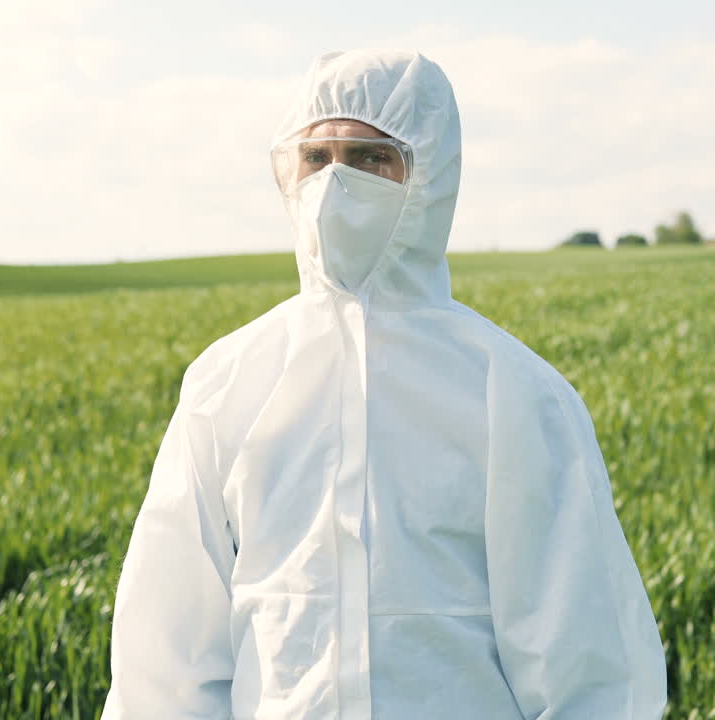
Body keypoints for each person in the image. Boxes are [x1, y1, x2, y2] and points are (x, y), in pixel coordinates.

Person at [101, 49, 667, 719]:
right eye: (317, 158)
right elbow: (166, 659)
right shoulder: (226, 384)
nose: (335, 182)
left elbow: (588, 666)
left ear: (429, 174)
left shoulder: (512, 392)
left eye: (371, 159)